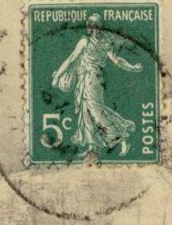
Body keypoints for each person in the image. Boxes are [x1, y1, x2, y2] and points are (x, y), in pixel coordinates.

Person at [51, 14, 142, 160]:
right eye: (89, 24)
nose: (90, 26)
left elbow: (70, 60)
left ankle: (121, 137)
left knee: (95, 110)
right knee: (85, 111)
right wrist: (132, 67)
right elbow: (117, 60)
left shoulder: (87, 42)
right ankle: (92, 148)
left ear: (97, 26)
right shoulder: (100, 42)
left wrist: (56, 78)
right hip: (88, 79)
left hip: (91, 79)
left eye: (92, 24)